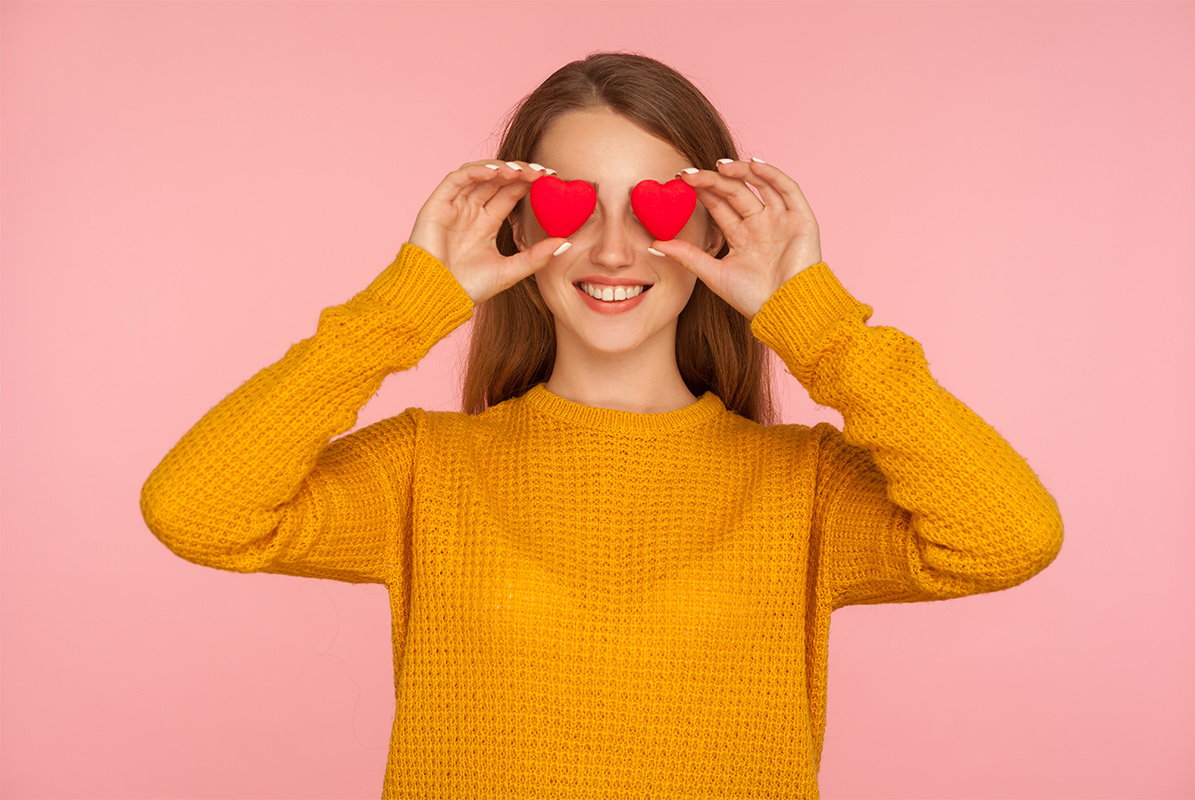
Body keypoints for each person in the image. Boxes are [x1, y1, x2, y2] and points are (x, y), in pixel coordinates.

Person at [141, 52, 1063, 799]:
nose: (614, 250)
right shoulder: (427, 468)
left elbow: (1006, 537)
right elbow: (198, 509)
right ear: (512, 228)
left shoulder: (805, 488)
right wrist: (407, 305)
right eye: (570, 206)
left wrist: (812, 318)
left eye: (656, 208)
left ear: (714, 229)